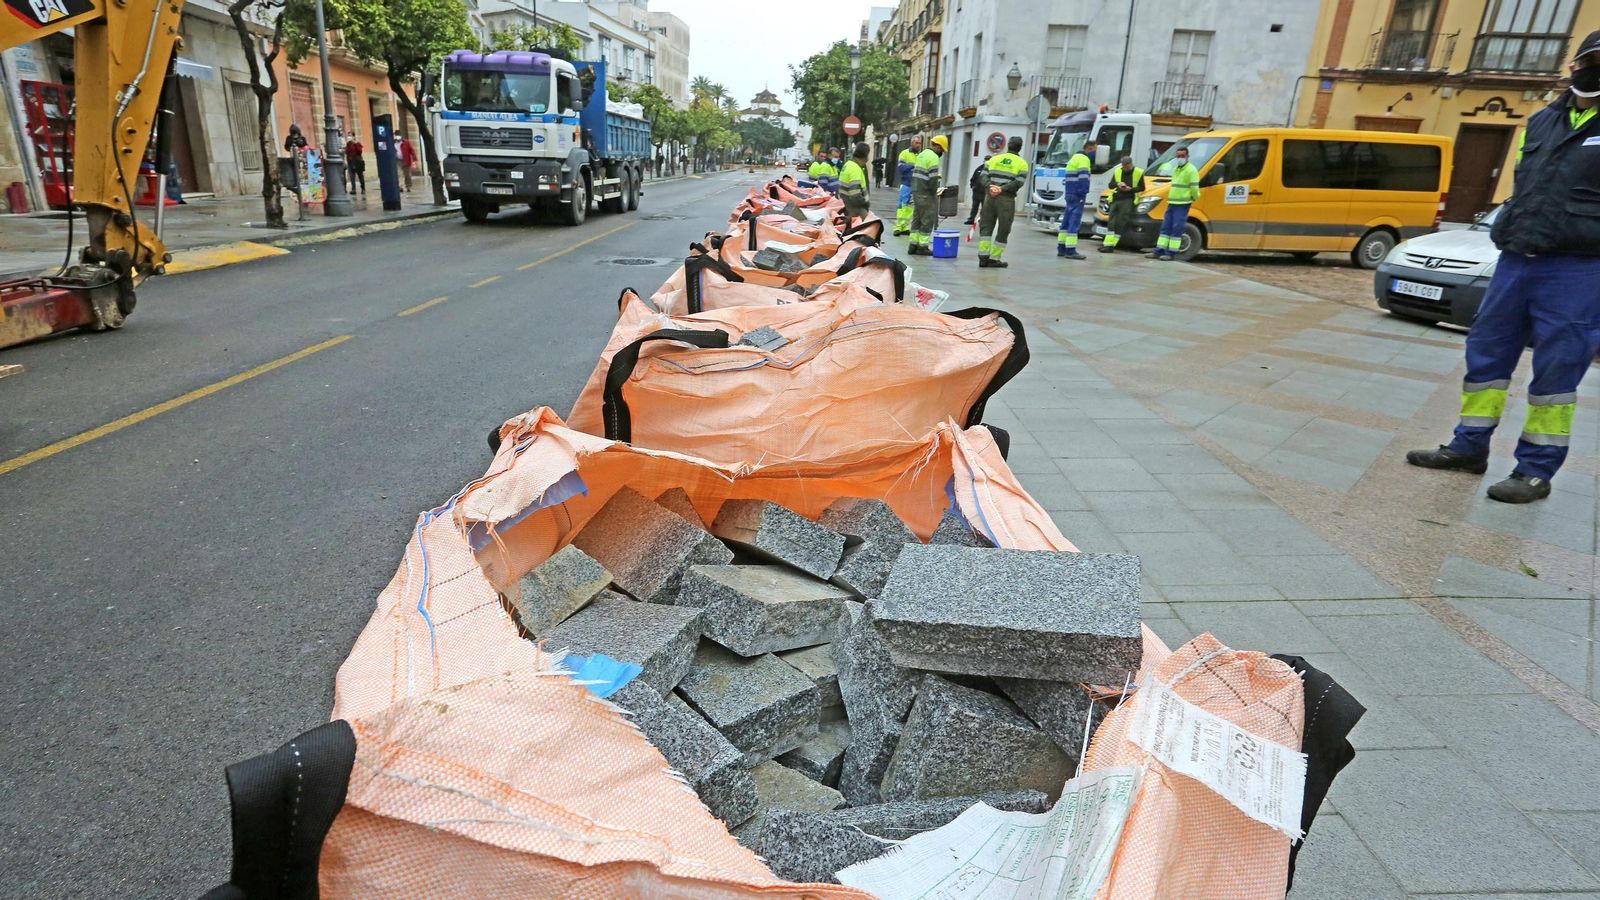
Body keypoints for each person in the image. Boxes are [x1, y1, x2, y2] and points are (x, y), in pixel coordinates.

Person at [1405, 30, 1600, 504]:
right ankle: (1468, 447)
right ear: (1574, 65)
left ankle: (1535, 469)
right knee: (1487, 356)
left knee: (1557, 371)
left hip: (1578, 267)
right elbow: (1526, 186)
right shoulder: (1541, 121)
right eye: (1591, 60)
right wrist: (1507, 223)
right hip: (1517, 259)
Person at [977, 137, 1029, 269]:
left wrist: (990, 187)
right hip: (1006, 199)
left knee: (986, 226)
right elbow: (1019, 182)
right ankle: (994, 259)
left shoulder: (994, 159)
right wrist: (1002, 189)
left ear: (1008, 146)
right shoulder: (1022, 163)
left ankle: (983, 258)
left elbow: (982, 175)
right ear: (1020, 147)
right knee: (1004, 228)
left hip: (989, 197)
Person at [1148, 145, 1199, 260]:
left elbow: (1195, 189)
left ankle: (1170, 253)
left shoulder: (1191, 170)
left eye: (1182, 156)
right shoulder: (1177, 169)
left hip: (1182, 204)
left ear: (1187, 156)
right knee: (1165, 227)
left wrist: (1194, 198)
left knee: (1177, 228)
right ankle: (1158, 251)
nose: (1180, 158)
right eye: (1178, 156)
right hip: (1172, 202)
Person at [907, 134, 947, 255]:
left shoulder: (922, 154)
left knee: (917, 219)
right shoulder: (934, 157)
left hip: (916, 190)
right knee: (927, 219)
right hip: (926, 193)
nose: (942, 153)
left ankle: (913, 245)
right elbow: (933, 178)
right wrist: (935, 191)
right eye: (942, 150)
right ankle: (922, 246)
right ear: (939, 147)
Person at [1057, 138, 1096, 259]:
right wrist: (1084, 192)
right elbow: (1084, 177)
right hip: (1077, 194)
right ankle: (1071, 250)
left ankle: (1061, 248)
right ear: (1088, 149)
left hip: (1069, 193)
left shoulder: (1074, 158)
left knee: (1066, 221)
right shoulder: (1084, 159)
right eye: (1094, 150)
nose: (1095, 153)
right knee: (1074, 221)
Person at [1100, 155, 1144, 254]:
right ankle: (1107, 245)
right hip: (1116, 198)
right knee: (1111, 222)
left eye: (1127, 166)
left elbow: (1142, 187)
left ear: (1131, 164)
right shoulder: (1118, 171)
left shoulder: (1138, 172)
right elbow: (1110, 185)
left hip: (1128, 199)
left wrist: (1131, 189)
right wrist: (1118, 184)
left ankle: (1111, 245)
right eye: (1124, 166)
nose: (1126, 168)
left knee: (1120, 222)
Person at [894, 136, 921, 236]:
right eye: (916, 143)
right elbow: (901, 168)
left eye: (919, 143)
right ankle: (897, 227)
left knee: (910, 207)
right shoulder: (904, 153)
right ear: (912, 143)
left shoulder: (920, 155)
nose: (918, 145)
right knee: (902, 206)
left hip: (916, 185)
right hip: (906, 184)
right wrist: (912, 166)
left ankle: (905, 227)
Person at [838, 142, 871, 220]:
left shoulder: (848, 164)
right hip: (855, 209)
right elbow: (855, 194)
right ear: (865, 155)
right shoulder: (855, 168)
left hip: (847, 205)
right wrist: (865, 203)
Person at [965, 155, 992, 226]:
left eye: (988, 160)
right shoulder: (979, 168)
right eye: (985, 160)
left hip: (985, 192)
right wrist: (972, 186)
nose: (986, 161)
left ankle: (982, 220)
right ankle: (971, 219)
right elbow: (973, 178)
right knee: (974, 206)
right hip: (976, 191)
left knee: (985, 207)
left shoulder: (992, 169)